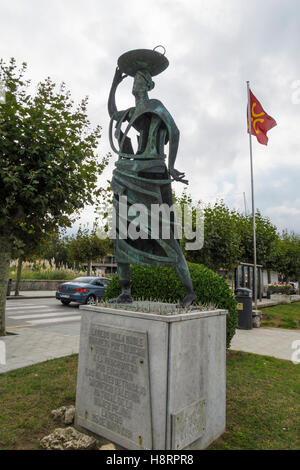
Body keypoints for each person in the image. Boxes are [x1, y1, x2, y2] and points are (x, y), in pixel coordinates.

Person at [108, 60, 196, 308]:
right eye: (133, 79)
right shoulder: (133, 112)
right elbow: (113, 113)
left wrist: (173, 165)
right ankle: (125, 292)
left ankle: (189, 292)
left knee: (166, 234)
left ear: (148, 84)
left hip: (151, 175)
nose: (134, 83)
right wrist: (114, 85)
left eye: (139, 79)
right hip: (127, 175)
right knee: (121, 234)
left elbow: (175, 132)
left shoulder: (155, 106)